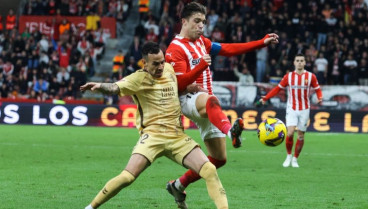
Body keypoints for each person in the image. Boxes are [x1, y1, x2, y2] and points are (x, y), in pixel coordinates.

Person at [81, 42, 228, 209]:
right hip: (152, 137)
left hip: (176, 136)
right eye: (155, 63)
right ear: (145, 63)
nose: (161, 66)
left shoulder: (169, 70)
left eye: (162, 62)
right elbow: (115, 87)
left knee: (209, 170)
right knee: (127, 177)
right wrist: (100, 86)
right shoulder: (137, 78)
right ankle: (91, 207)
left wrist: (188, 88)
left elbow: (175, 89)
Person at [164, 2, 279, 208]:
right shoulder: (175, 49)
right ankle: (230, 131)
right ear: (184, 21)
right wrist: (201, 66)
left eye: (203, 22)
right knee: (211, 100)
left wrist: (261, 42)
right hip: (188, 100)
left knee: (219, 159)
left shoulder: (203, 43)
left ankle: (178, 185)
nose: (201, 26)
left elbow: (229, 49)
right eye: (197, 21)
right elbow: (180, 84)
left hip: (207, 105)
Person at [260, 53, 323, 168]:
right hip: (292, 108)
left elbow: (318, 89)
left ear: (305, 63)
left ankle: (295, 159)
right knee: (289, 133)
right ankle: (288, 156)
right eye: (297, 60)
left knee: (300, 136)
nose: (299, 62)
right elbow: (277, 89)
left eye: (301, 61)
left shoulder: (310, 76)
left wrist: (320, 98)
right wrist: (266, 97)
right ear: (294, 62)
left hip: (304, 109)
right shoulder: (288, 76)